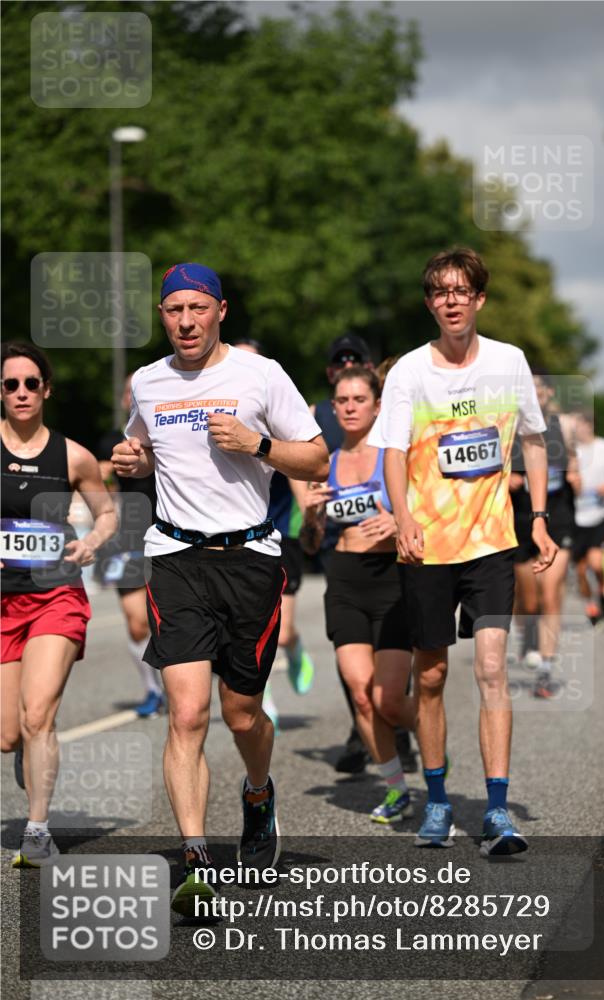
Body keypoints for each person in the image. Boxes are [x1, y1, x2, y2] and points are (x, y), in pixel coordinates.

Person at [111, 263, 327, 918]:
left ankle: (258, 793)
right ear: (162, 314)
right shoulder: (148, 383)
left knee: (240, 715)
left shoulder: (260, 376)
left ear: (219, 311)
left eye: (196, 308)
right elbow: (140, 448)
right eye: (172, 309)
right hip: (175, 557)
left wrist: (258, 444)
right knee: (186, 714)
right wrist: (132, 461)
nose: (184, 321)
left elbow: (315, 457)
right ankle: (196, 860)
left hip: (251, 560)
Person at [373, 247, 557, 855]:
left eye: (461, 291)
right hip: (427, 545)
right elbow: (394, 452)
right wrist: (402, 518)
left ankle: (498, 810)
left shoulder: (508, 362)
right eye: (439, 292)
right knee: (430, 676)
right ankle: (438, 801)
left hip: (490, 543)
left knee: (492, 670)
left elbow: (532, 439)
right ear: (430, 303)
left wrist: (538, 519)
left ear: (479, 298)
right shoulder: (408, 373)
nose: (450, 300)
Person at [1, 342, 116, 866]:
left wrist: (91, 543)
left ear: (46, 390)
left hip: (56, 595)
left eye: (30, 383)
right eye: (10, 385)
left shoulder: (73, 456)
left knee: (39, 712)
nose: (21, 393)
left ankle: (39, 829)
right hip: (4, 604)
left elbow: (109, 513)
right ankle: (29, 741)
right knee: (8, 734)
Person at [301, 366, 416, 823]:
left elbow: (422, 513)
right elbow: (311, 546)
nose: (349, 408)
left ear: (377, 405)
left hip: (392, 579)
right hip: (344, 579)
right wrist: (311, 517)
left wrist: (398, 521)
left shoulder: (393, 456)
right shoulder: (323, 461)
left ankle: (430, 730)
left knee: (388, 699)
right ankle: (396, 789)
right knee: (361, 695)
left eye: (358, 400)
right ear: (333, 408)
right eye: (342, 401)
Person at [232, 337, 315, 730]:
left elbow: (303, 469)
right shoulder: (216, 414)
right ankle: (262, 699)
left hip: (281, 534)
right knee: (243, 633)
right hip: (234, 543)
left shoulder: (276, 413)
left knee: (279, 635)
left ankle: (295, 646)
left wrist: (310, 512)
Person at [96, 374, 163, 717]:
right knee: (137, 622)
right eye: (128, 393)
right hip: (130, 539)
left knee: (168, 621)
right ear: (124, 400)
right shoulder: (113, 438)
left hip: (171, 535)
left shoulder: (168, 433)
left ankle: (180, 680)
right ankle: (153, 690)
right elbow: (102, 483)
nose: (134, 398)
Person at [510, 369, 579, 698]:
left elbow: (575, 468)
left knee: (550, 593)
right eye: (529, 390)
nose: (535, 395)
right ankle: (528, 635)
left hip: (558, 517)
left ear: (549, 394)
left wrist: (575, 476)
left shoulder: (563, 426)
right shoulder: (509, 428)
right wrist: (508, 479)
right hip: (522, 519)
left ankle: (547, 669)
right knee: (527, 599)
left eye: (540, 390)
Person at [573, 413, 604, 625]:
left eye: (581, 424)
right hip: (576, 515)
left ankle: (601, 592)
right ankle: (590, 604)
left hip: (601, 513)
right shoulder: (569, 450)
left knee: (596, 562)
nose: (578, 429)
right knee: (581, 570)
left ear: (590, 425)